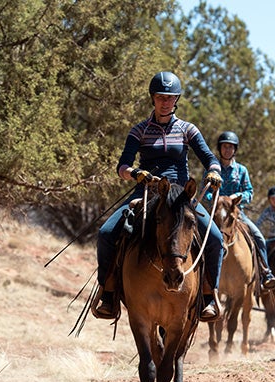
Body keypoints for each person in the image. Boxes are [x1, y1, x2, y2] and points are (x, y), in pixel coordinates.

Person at [94, 71, 225, 322]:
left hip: (180, 197)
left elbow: (209, 158)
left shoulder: (188, 129)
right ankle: (108, 294)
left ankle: (208, 295)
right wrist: (136, 174)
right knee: (107, 233)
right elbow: (122, 166)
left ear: (176, 100)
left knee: (216, 238)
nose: (165, 102)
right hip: (146, 193)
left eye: (170, 97)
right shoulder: (139, 130)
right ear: (152, 98)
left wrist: (214, 172)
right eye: (160, 97)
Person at [202, 131, 275, 291]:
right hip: (216, 213)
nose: (227, 150)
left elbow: (249, 191)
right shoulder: (212, 169)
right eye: (224, 147)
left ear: (235, 150)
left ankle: (266, 272)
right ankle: (198, 275)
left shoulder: (241, 170)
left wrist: (237, 196)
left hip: (236, 213)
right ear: (220, 148)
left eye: (230, 147)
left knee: (258, 237)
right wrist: (216, 198)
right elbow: (205, 190)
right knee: (198, 235)